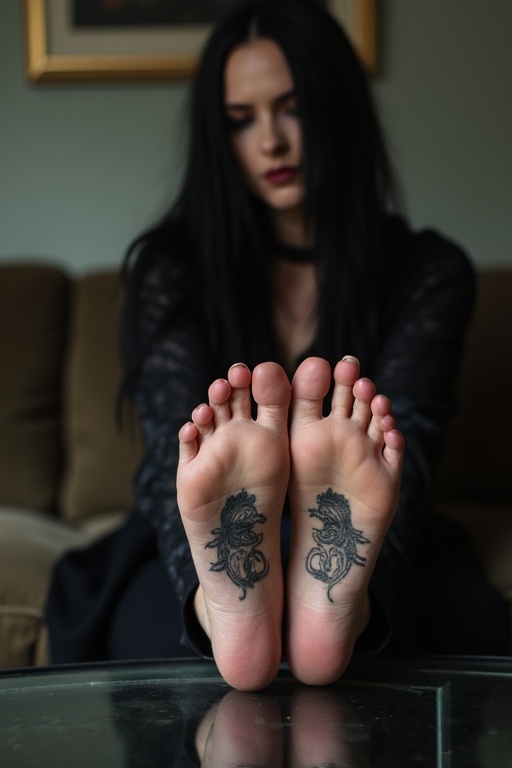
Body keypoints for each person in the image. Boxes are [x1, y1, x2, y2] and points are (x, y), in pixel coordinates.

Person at [46, 0, 507, 691]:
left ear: (337, 110)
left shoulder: (425, 273)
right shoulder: (170, 269)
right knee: (173, 582)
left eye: (292, 109)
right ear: (217, 134)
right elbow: (169, 462)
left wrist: (364, 560)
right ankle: (218, 604)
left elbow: (406, 452)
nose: (271, 142)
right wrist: (200, 576)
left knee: (434, 592)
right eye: (241, 119)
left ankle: (338, 607)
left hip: (369, 536)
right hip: (195, 534)